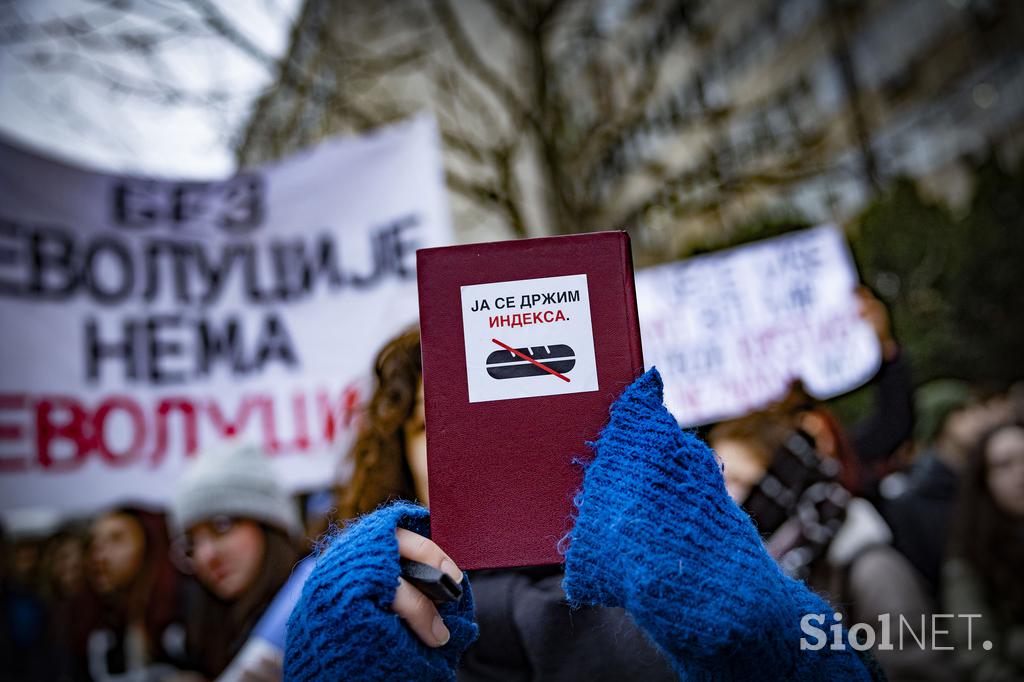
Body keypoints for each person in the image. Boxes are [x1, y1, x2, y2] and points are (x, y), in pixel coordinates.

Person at [285, 354, 887, 679]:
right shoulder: (371, 624)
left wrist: (775, 651)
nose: (473, 439)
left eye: (490, 406)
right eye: (431, 422)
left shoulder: (663, 584)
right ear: (399, 457)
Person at [331, 327, 676, 680]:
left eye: (486, 420)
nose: (463, 446)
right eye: (430, 425)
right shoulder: (366, 604)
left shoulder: (661, 577)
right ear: (399, 454)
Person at [708, 409, 953, 681]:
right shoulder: (747, 570)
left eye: (738, 480)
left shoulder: (870, 568)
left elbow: (916, 671)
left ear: (785, 480)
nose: (727, 496)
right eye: (718, 482)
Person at [168, 444, 308, 681]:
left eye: (222, 526)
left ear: (270, 526)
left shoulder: (325, 609)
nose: (205, 556)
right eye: (191, 543)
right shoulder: (198, 638)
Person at [943, 421, 1024, 680]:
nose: (1020, 474)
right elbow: (979, 658)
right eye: (1004, 465)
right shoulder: (969, 559)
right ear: (984, 480)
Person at [73, 506, 187, 681]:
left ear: (149, 548)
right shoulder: (94, 624)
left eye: (116, 539)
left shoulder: (184, 611)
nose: (99, 557)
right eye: (93, 544)